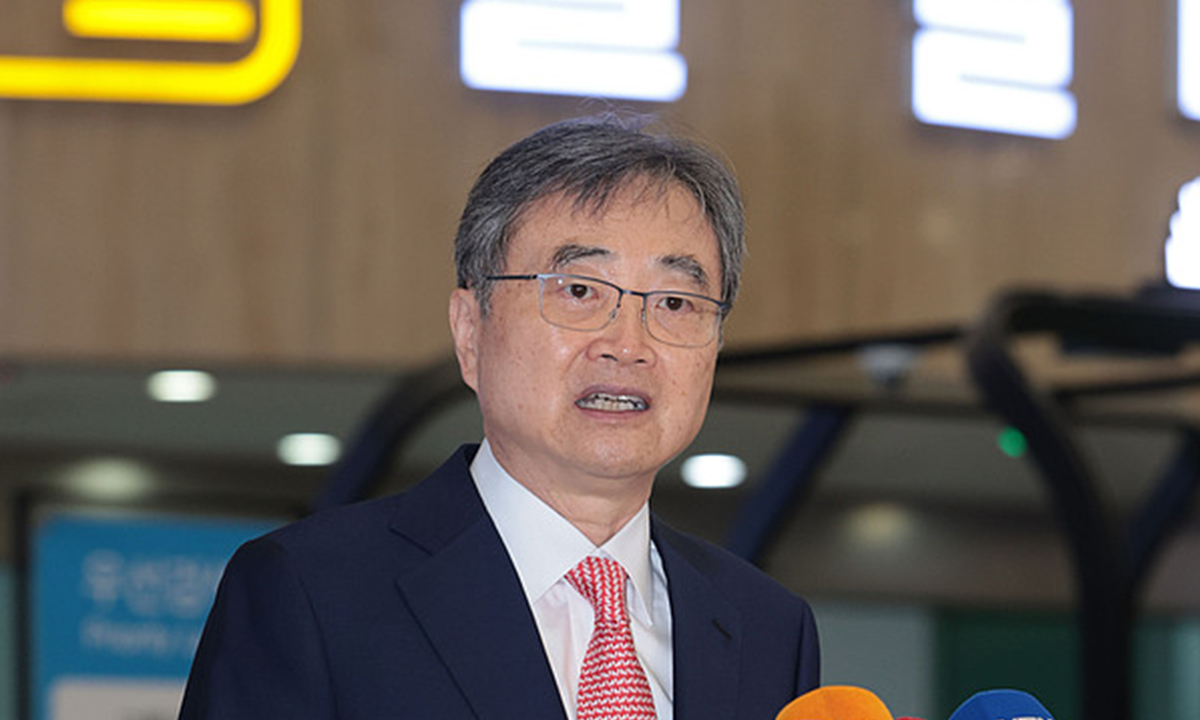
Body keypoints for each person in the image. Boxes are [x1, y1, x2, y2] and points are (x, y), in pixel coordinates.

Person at [178, 115, 820, 720]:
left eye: (676, 302)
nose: (628, 344)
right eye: (579, 291)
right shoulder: (311, 591)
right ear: (470, 331)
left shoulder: (769, 628)